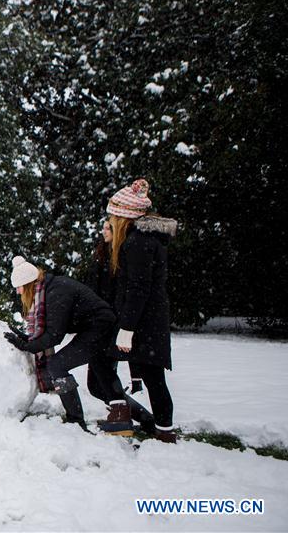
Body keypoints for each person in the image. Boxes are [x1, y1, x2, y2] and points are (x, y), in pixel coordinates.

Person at [4, 256, 132, 435]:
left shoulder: (55, 293)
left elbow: (54, 336)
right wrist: (25, 339)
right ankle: (143, 420)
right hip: (98, 328)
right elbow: (50, 331)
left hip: (100, 329)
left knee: (57, 364)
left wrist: (26, 346)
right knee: (97, 386)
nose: (18, 292)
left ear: (28, 284)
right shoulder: (49, 289)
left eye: (19, 287)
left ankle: (75, 422)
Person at [105, 179, 178, 443]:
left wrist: (126, 328)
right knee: (150, 376)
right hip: (148, 319)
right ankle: (162, 428)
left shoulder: (137, 243)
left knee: (153, 377)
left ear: (124, 215)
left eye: (113, 215)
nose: (111, 220)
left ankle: (165, 432)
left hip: (145, 322)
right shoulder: (144, 239)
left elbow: (138, 289)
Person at [83, 220, 156, 433]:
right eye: (103, 227)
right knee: (96, 384)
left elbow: (120, 293)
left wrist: (110, 320)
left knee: (101, 373)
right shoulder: (101, 254)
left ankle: (122, 413)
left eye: (109, 228)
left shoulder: (120, 259)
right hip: (98, 320)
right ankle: (142, 416)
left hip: (108, 324)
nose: (104, 231)